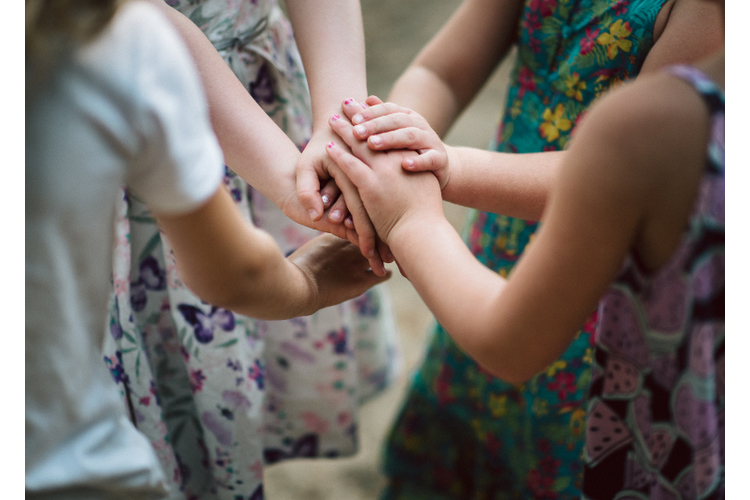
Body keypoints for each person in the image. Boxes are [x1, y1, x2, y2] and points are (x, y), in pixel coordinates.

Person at [307, 0, 723, 497]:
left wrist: (436, 181)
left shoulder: (703, 19)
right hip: (497, 247)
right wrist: (388, 140)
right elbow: (440, 70)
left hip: (592, 296)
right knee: (471, 398)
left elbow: (615, 178)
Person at [25, 1, 389, 497]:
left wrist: (337, 130)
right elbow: (236, 275)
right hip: (182, 173)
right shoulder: (120, 50)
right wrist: (308, 283)